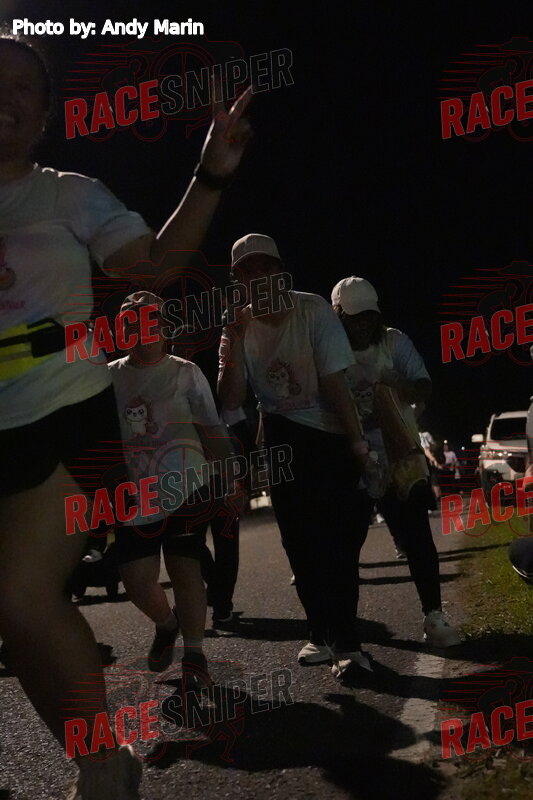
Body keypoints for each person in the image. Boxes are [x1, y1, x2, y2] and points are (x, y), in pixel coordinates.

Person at [0, 35, 252, 800]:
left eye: (22, 85)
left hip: (62, 412)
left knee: (22, 597)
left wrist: (211, 172)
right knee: (15, 619)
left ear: (45, 115)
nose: (4, 95)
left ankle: (102, 765)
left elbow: (153, 265)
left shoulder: (67, 195)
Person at [218, 233, 371, 680]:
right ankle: (319, 633)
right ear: (238, 281)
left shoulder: (312, 309)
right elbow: (230, 399)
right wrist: (233, 342)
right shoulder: (238, 326)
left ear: (280, 272)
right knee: (298, 543)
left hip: (326, 432)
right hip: (280, 437)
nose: (258, 278)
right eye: (248, 272)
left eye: (265, 268)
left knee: (337, 541)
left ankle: (348, 642)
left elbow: (336, 385)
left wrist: (358, 445)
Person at [109, 291, 233, 685]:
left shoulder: (185, 372)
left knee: (186, 569)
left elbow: (211, 428)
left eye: (151, 321)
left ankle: (194, 657)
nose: (142, 330)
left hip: (187, 485)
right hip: (135, 495)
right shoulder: (107, 376)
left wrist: (231, 479)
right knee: (137, 581)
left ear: (165, 328)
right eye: (131, 323)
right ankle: (166, 624)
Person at [331, 276, 460, 648]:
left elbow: (424, 385)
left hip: (400, 454)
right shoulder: (328, 350)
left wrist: (396, 384)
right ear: (337, 314)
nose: (363, 324)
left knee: (417, 536)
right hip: (351, 457)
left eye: (369, 315)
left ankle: (434, 615)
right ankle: (343, 632)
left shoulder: (394, 341)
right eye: (354, 317)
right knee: (346, 544)